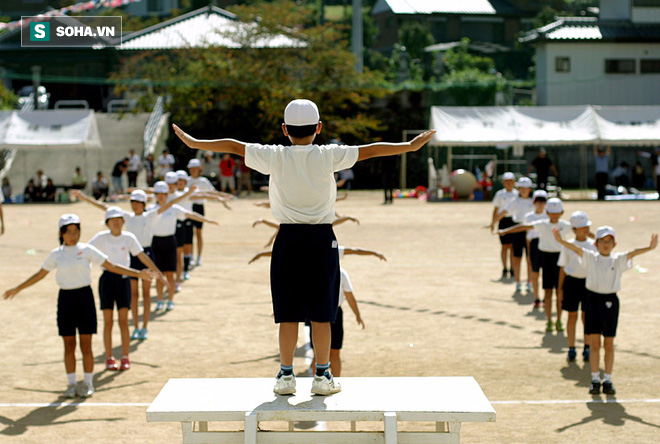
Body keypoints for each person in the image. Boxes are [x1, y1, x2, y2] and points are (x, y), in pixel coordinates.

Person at [171, 98, 435, 396]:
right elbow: (371, 150)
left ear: (284, 129)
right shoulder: (329, 155)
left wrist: (196, 142)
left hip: (287, 239)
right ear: (319, 128)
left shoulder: (274, 156)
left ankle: (286, 376)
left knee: (288, 312)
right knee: (323, 313)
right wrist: (409, 146)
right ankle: (322, 376)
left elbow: (233, 145)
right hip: (323, 239)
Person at [2, 214, 155, 398]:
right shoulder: (56, 254)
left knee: (86, 343)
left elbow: (112, 266)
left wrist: (138, 274)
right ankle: (72, 383)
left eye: (76, 231)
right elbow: (40, 274)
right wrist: (18, 288)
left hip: (85, 298)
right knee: (68, 343)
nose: (73, 235)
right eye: (69, 232)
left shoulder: (87, 250)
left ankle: (88, 383)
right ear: (61, 233)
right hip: (66, 299)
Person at [553, 226, 657, 395]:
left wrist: (650, 248)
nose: (605, 245)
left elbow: (633, 253)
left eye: (609, 241)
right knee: (594, 343)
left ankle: (607, 379)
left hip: (610, 302)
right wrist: (560, 241)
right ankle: (595, 378)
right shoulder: (590, 257)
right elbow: (576, 249)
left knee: (609, 343)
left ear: (614, 244)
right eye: (602, 241)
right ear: (596, 243)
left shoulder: (618, 260)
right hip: (592, 300)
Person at [89, 207, 166, 371]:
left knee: (123, 321)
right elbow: (86, 252)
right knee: (108, 322)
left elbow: (142, 256)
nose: (116, 223)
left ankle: (125, 356)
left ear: (123, 221)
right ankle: (109, 357)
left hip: (124, 281)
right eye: (112, 220)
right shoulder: (101, 238)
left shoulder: (129, 238)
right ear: (107, 223)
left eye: (119, 219)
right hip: (107, 281)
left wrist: (157, 272)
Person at [499, 198, 571, 332]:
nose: (554, 215)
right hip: (547, 259)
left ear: (562, 212)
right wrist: (507, 230)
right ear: (547, 212)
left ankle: (559, 319)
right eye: (552, 212)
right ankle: (549, 320)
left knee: (560, 292)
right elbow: (523, 226)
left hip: (561, 261)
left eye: (557, 212)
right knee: (548, 292)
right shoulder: (542, 224)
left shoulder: (565, 225)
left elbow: (581, 232)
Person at [151, 180, 218, 311]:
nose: (160, 196)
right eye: (158, 194)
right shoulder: (150, 210)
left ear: (166, 194)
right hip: (156, 244)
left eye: (163, 194)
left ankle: (170, 300)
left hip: (170, 242)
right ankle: (159, 299)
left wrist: (207, 220)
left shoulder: (173, 208)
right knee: (159, 276)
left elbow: (190, 214)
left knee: (170, 274)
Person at [557, 211, 597, 363]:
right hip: (572, 283)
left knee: (586, 316)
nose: (585, 229)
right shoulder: (568, 246)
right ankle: (571, 347)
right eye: (581, 227)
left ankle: (586, 347)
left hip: (588, 284)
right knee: (572, 316)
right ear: (574, 229)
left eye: (587, 226)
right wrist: (560, 289)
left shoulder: (593, 245)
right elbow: (562, 268)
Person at [187, 158, 232, 266]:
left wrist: (221, 196)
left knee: (198, 232)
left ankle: (198, 257)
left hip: (199, 207)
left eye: (195, 169)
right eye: (191, 169)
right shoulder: (186, 180)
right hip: (189, 207)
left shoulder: (203, 181)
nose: (193, 171)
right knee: (189, 235)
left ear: (199, 169)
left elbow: (212, 192)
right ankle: (190, 256)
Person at [493, 177, 534, 292]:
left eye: (526, 188)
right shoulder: (515, 201)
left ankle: (530, 282)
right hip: (517, 230)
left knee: (530, 258)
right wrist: (493, 222)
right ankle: (517, 281)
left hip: (530, 231)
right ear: (519, 189)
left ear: (530, 189)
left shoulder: (534, 201)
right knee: (517, 257)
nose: (524, 191)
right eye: (521, 188)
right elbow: (503, 212)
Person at [490, 172, 519, 280]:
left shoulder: (517, 194)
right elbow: (496, 209)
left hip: (514, 220)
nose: (509, 184)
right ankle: (504, 267)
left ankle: (512, 268)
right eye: (507, 182)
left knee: (512, 247)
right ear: (503, 183)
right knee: (504, 246)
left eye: (511, 181)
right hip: (503, 220)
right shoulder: (500, 194)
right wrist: (493, 222)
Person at [524, 190, 550, 307]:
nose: (540, 204)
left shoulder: (549, 216)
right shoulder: (529, 217)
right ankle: (536, 297)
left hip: (546, 244)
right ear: (534, 202)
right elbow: (528, 236)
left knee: (546, 273)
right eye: (538, 202)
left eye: (543, 202)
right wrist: (529, 252)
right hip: (535, 245)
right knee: (535, 272)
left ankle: (546, 297)